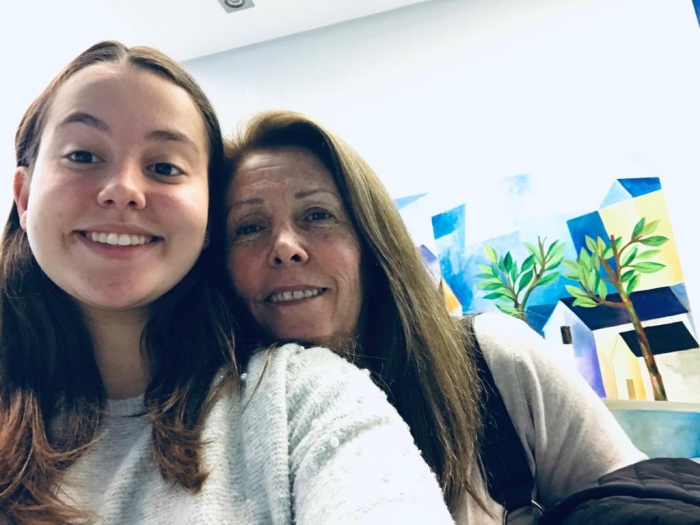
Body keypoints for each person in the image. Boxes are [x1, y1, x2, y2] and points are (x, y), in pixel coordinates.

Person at [0, 42, 456, 525]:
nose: (123, 190)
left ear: (207, 223)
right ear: (24, 197)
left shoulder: (296, 399)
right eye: (83, 155)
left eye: (164, 167)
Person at [222, 110, 648, 524]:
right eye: (249, 226)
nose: (285, 246)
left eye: (318, 215)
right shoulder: (213, 429)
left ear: (371, 241)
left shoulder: (497, 360)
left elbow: (633, 504)